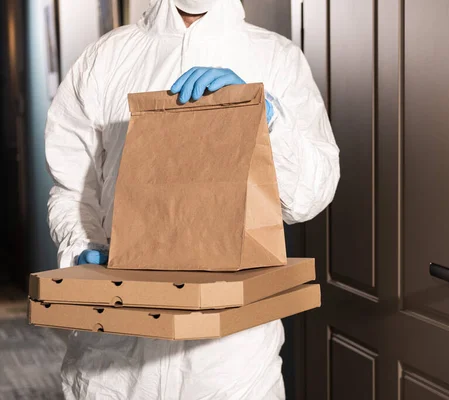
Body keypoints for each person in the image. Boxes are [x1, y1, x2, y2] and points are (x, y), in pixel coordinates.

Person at [44, 0, 340, 398]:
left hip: (231, 370)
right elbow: (70, 184)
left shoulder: (276, 58)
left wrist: (263, 115)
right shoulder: (106, 57)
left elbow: (311, 196)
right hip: (116, 366)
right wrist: (81, 246)